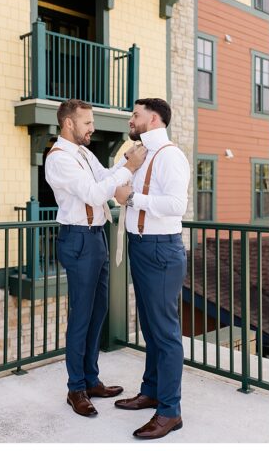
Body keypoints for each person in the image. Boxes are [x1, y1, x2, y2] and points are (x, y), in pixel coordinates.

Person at [43, 99, 147, 417]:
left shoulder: (85, 153)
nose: (92, 128)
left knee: (98, 310)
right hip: (78, 240)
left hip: (96, 237)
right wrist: (127, 170)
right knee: (80, 317)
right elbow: (93, 193)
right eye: (87, 123)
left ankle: (91, 379)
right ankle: (75, 389)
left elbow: (106, 176)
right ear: (68, 124)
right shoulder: (59, 159)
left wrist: (126, 161)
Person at [112, 98, 190, 439]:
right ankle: (152, 391)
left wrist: (132, 199)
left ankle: (170, 411)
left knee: (165, 332)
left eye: (136, 114)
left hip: (160, 250)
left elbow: (176, 205)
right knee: (150, 326)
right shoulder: (139, 153)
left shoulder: (170, 155)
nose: (131, 119)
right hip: (142, 248)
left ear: (154, 118)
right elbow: (119, 188)